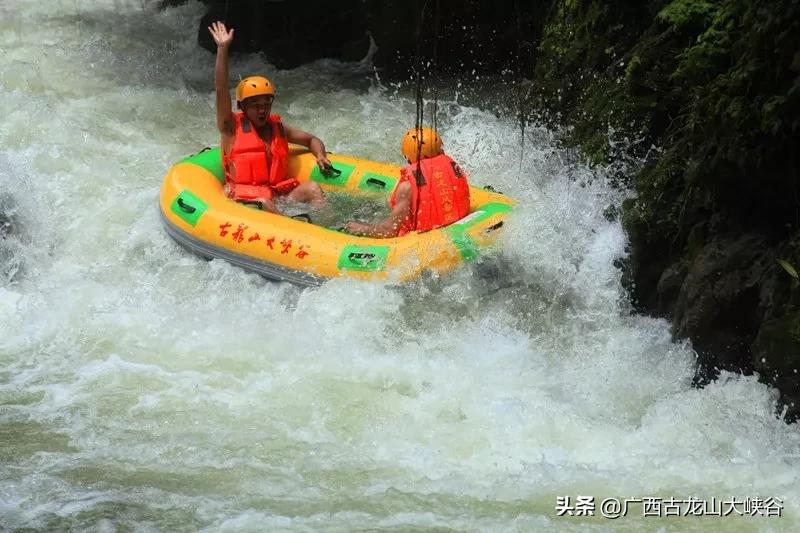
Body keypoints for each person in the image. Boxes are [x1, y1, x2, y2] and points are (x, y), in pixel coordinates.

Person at [208, 21, 331, 214]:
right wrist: (222, 48)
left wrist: (321, 155)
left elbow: (311, 140)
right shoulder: (230, 127)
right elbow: (221, 88)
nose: (262, 111)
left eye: (266, 105)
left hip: (278, 196)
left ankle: (325, 230)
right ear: (242, 107)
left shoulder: (278, 127)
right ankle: (293, 232)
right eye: (256, 106)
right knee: (266, 203)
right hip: (247, 200)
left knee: (313, 188)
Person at [344, 127, 471, 238]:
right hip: (461, 228)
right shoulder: (454, 169)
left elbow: (389, 231)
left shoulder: (407, 188)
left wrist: (364, 228)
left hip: (424, 240)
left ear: (409, 155)